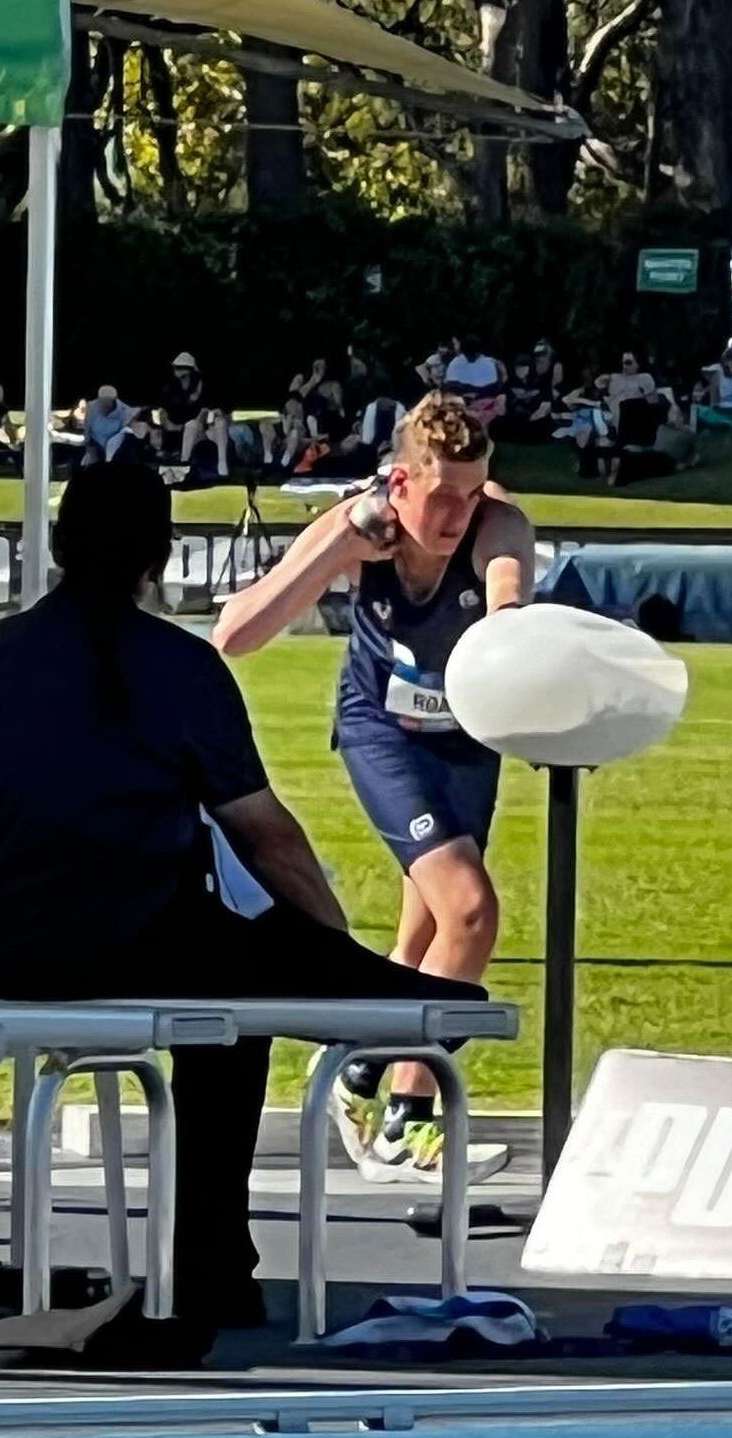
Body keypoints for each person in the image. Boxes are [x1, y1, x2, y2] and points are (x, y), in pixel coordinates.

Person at [0, 461, 486, 1347]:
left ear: (60, 545)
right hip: (111, 934)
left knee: (227, 968)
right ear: (160, 557)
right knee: (237, 995)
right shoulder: (175, 665)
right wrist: (329, 944)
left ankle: (220, 1254)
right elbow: (265, 836)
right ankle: (212, 1256)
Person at [214, 393, 535, 1178]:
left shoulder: (497, 524)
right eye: (442, 495)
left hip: (464, 734)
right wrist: (338, 547)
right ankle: (405, 1115)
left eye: (472, 492)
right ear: (399, 482)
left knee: (424, 937)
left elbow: (506, 597)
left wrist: (508, 629)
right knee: (471, 911)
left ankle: (358, 1071)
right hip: (382, 731)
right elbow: (236, 634)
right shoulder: (365, 525)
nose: (458, 514)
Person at [444, 337, 506, 425]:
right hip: (465, 403)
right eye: (468, 354)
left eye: (473, 354)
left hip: (486, 400)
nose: (471, 358)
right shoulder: (455, 364)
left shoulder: (491, 363)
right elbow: (451, 389)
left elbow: (497, 386)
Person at [157, 352, 205, 460]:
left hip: (193, 424)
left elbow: (201, 408)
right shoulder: (170, 386)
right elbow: (165, 406)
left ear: (189, 370)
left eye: (180, 367)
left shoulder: (198, 384)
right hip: (173, 423)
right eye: (175, 367)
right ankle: (170, 450)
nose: (176, 370)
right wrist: (165, 420)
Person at [82, 384, 136, 466]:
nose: (103, 405)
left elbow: (127, 428)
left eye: (107, 402)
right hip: (95, 444)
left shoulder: (124, 410)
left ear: (114, 400)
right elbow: (87, 428)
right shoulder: (91, 406)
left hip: (115, 446)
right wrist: (89, 449)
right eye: (101, 401)